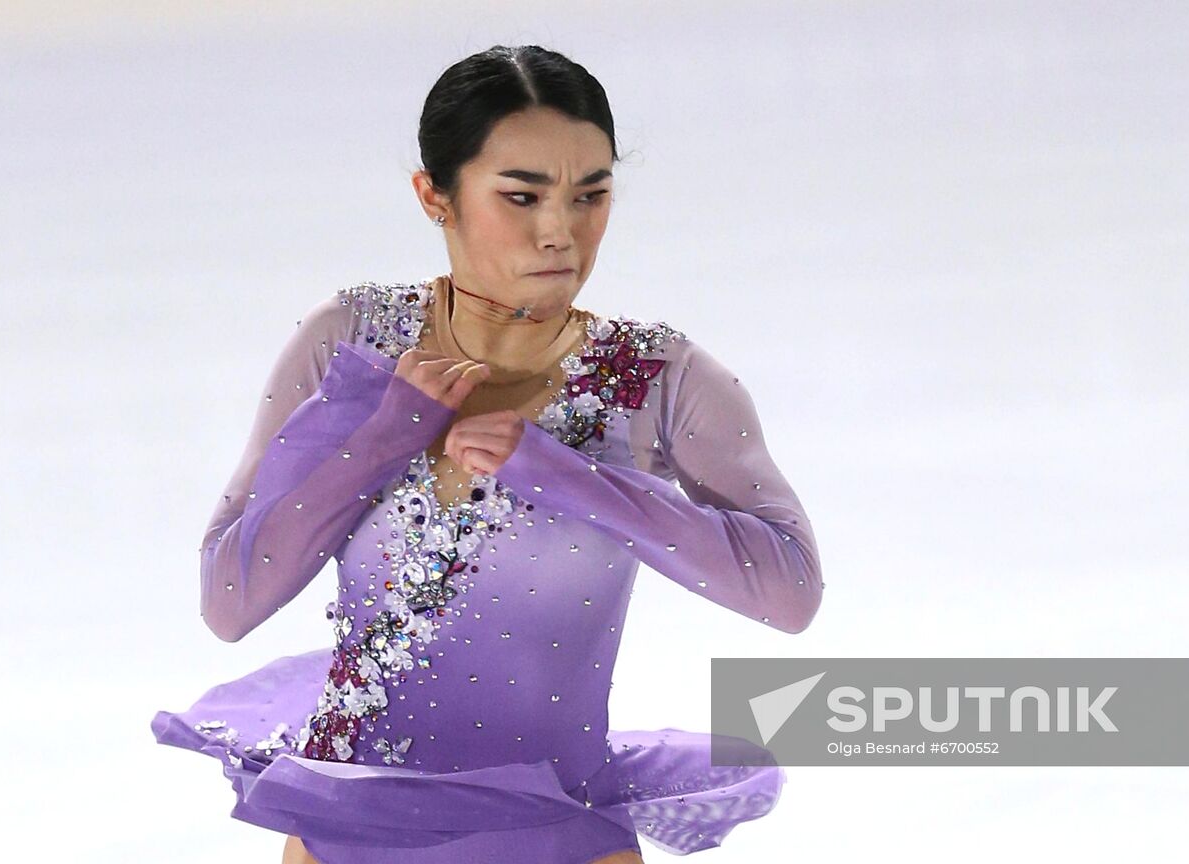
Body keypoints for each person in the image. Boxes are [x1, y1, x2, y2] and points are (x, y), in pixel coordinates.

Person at [150, 44, 823, 864]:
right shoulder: (352, 341)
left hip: (561, 835)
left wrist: (568, 474)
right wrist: (382, 436)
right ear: (435, 195)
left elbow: (789, 593)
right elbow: (231, 598)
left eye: (591, 195)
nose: (560, 232)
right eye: (522, 195)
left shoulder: (656, 378)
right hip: (349, 835)